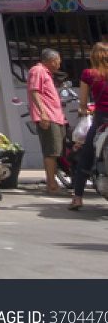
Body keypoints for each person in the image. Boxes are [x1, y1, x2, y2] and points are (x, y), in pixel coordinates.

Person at [69, 41, 108, 211]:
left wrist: (83, 110)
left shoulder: (88, 74)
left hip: (102, 119)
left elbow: (83, 102)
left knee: (86, 157)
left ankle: (77, 198)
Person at [26, 48, 67, 195]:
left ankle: (54, 182)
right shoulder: (38, 70)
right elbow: (34, 91)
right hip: (48, 117)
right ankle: (52, 185)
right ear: (52, 60)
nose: (59, 64)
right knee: (51, 152)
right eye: (58, 61)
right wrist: (43, 113)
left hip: (55, 117)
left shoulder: (47, 73)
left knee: (56, 151)